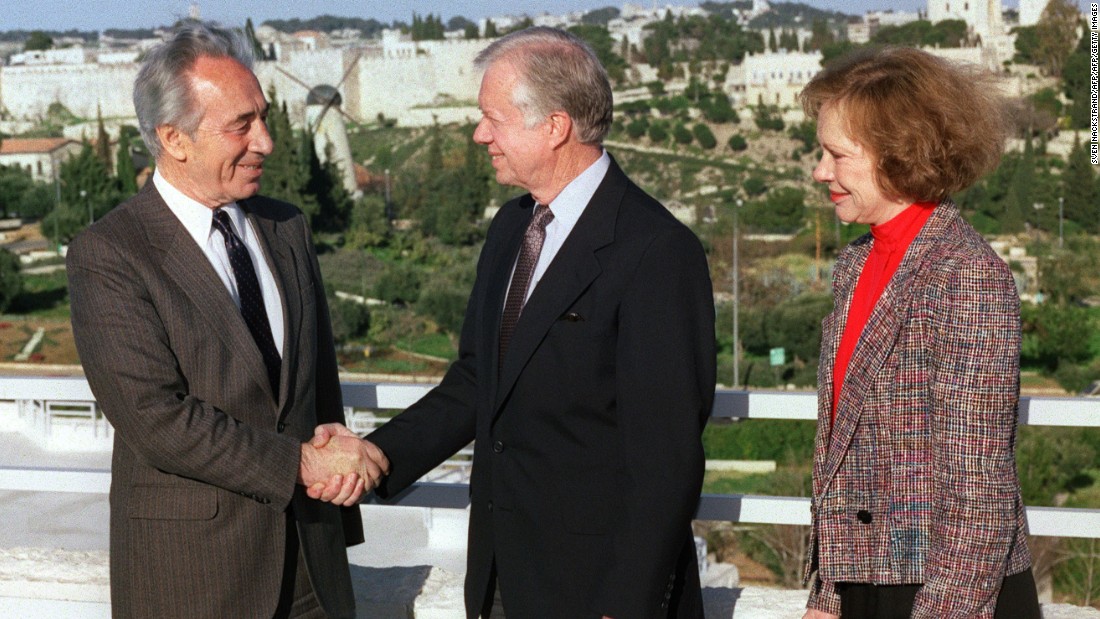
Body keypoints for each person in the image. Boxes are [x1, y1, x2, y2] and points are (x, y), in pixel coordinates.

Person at [316, 26, 715, 619]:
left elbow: (666, 459)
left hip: (598, 592)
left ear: (553, 127)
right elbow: (478, 382)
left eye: (492, 118)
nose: (480, 135)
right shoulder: (512, 227)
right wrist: (376, 455)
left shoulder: (655, 251)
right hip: (502, 576)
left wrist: (624, 605)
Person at [67, 23, 388, 619]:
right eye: (242, 125)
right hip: (196, 578)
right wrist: (301, 463)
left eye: (263, 117)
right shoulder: (110, 254)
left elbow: (315, 384)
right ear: (174, 139)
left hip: (313, 570)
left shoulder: (285, 226)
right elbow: (156, 419)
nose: (266, 141)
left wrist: (335, 474)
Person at [799, 46, 1039, 618]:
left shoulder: (966, 275)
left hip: (944, 592)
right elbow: (841, 452)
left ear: (899, 154)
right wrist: (826, 594)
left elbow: (978, 485)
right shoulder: (856, 265)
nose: (820, 171)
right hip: (862, 582)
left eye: (836, 154)